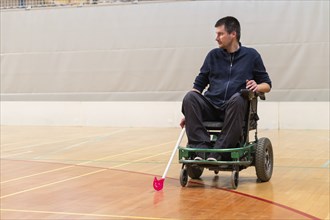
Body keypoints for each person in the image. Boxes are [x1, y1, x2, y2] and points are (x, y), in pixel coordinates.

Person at [180, 16, 272, 161]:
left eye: (220, 34)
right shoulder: (212, 56)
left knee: (239, 97)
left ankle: (218, 152)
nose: (216, 38)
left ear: (233, 34)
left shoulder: (251, 56)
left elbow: (267, 85)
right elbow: (197, 87)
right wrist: (190, 113)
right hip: (211, 106)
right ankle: (202, 151)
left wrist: (257, 86)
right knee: (189, 97)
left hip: (234, 109)